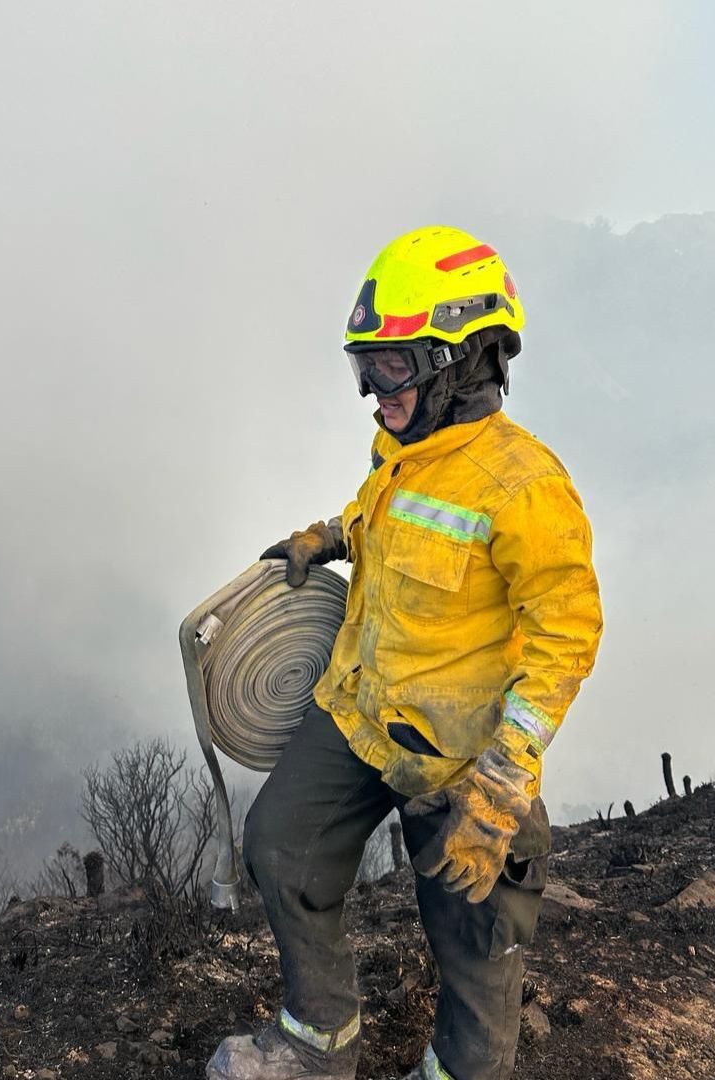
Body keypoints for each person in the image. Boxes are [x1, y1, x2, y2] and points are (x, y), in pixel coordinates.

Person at [207, 226, 603, 1080]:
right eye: (365, 369)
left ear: (464, 362)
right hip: (360, 711)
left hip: (460, 759)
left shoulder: (525, 487)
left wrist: (507, 773)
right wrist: (333, 536)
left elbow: (566, 632)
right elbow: (388, 521)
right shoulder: (406, 451)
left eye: (390, 368)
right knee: (279, 844)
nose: (372, 394)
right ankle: (317, 1043)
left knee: (475, 931)